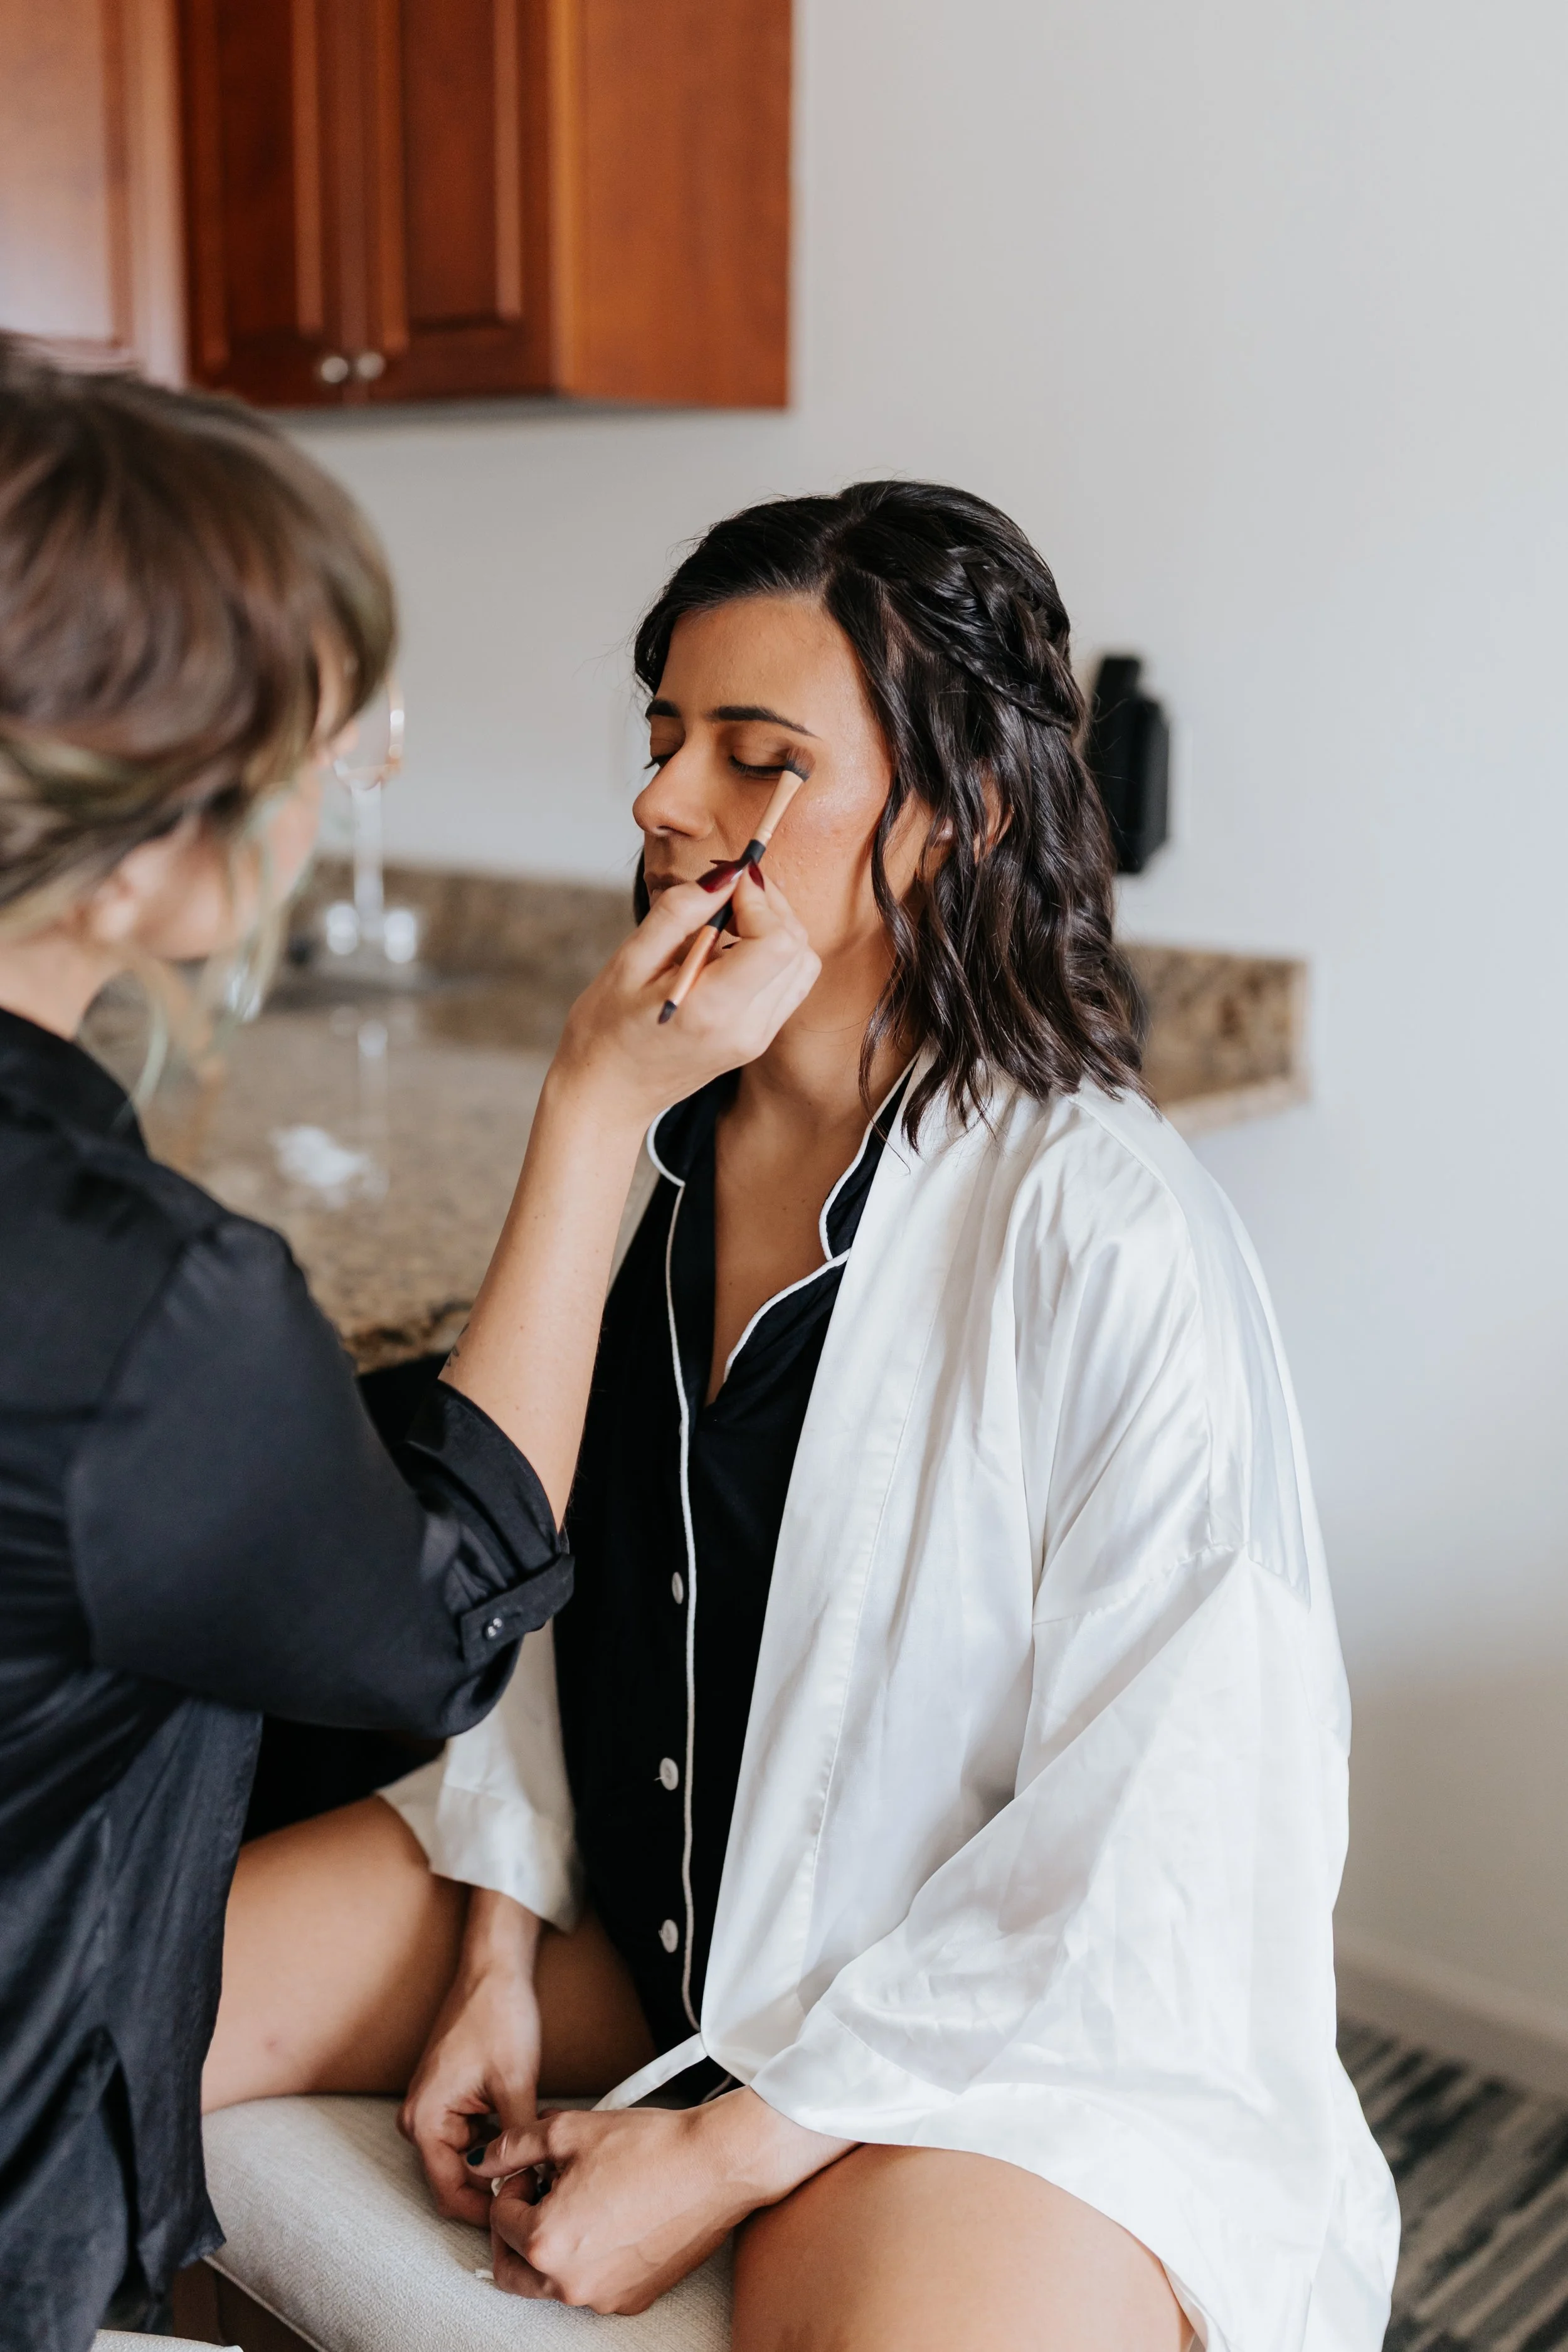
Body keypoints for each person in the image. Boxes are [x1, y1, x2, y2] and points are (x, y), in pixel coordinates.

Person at [208, 482, 1402, 2352]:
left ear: (959, 815)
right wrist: (492, 1953)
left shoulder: (1098, 1225)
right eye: (664, 736)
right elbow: (522, 1572)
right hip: (634, 1910)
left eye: (754, 757)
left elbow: (1166, 1828)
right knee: (88, 1990)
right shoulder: (648, 1123)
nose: (662, 803)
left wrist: (728, 2151)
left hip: (961, 2019)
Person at [0, 337, 818, 2352]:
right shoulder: (138, 1307)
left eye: (757, 750)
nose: (657, 798)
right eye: (320, 742)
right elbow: (431, 1611)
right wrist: (596, 1109)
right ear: (145, 851)